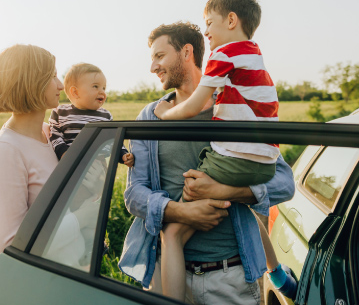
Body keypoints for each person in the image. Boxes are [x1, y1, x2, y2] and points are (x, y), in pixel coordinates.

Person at [119, 21, 295, 305]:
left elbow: (283, 183)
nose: (153, 67)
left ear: (186, 52)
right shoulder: (150, 118)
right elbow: (134, 195)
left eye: (159, 56)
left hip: (231, 278)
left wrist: (225, 191)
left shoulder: (236, 108)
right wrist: (181, 212)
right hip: (164, 274)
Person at [0, 45, 97, 259]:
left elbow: (61, 204)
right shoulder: (5, 151)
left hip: (75, 271)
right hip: (46, 281)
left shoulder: (52, 133)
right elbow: (10, 246)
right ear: (30, 82)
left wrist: (92, 184)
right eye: (52, 76)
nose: (61, 85)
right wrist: (82, 219)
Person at [49, 62, 134, 166]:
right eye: (95, 86)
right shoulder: (61, 112)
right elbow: (54, 135)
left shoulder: (105, 115)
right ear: (75, 92)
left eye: (104, 88)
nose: (102, 92)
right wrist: (63, 152)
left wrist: (123, 154)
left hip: (98, 167)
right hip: (70, 165)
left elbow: (114, 139)